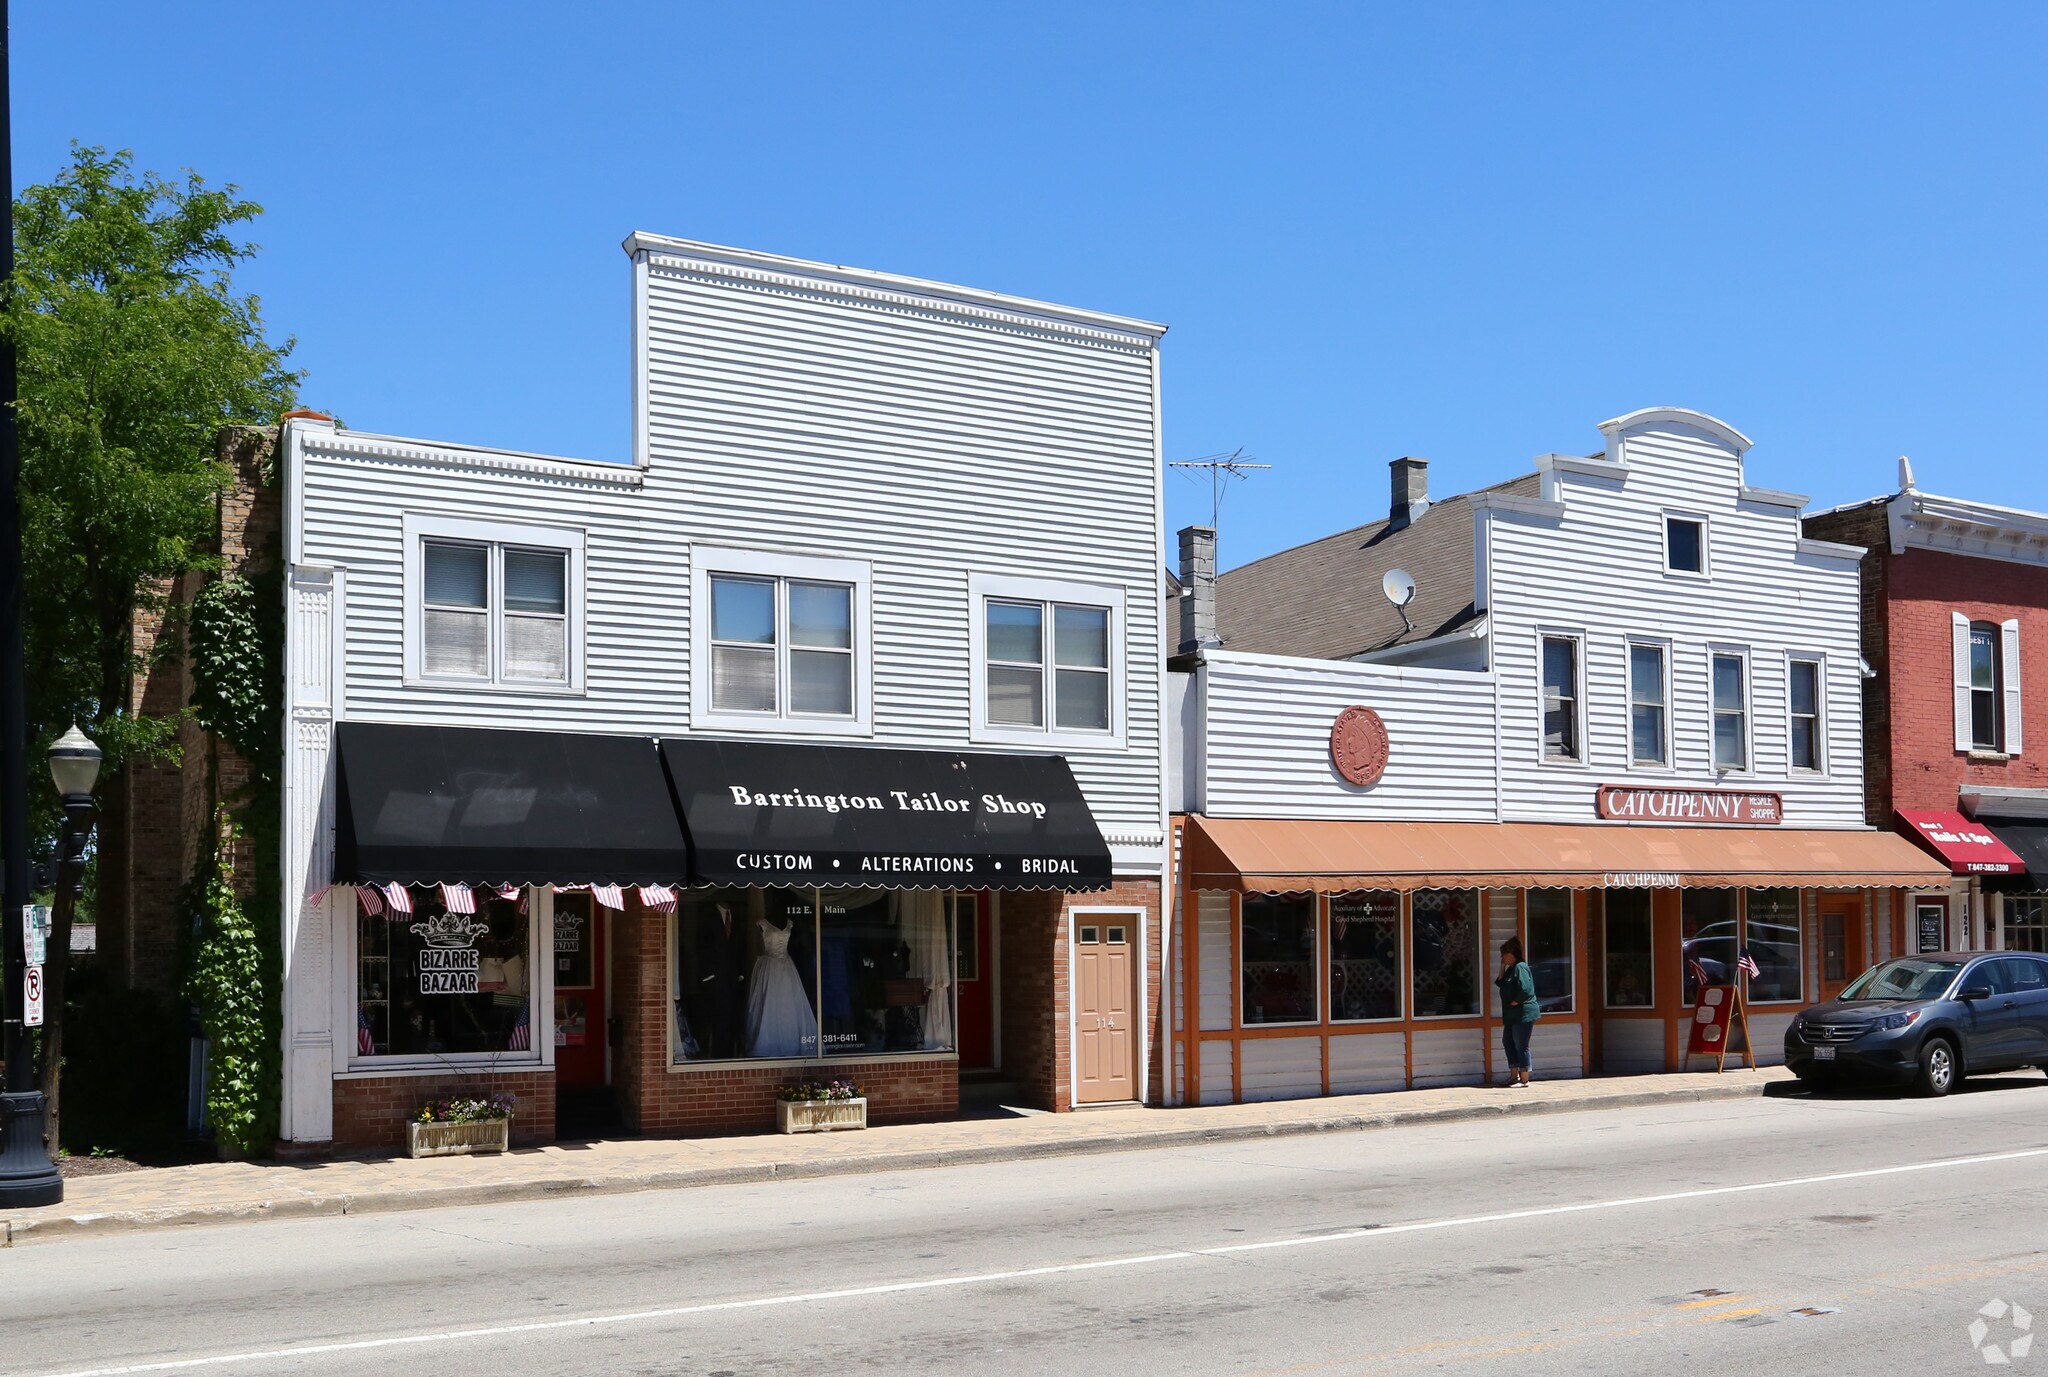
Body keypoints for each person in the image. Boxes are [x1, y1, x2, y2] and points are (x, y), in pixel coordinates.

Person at [1495, 937, 1541, 1087]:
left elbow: (1526, 989)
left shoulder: (1520, 967)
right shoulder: (1511, 969)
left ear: (1511, 954)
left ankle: (1525, 1078)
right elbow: (1501, 983)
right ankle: (1513, 1076)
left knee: (1521, 1044)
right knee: (1508, 1041)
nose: (1502, 957)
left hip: (1523, 1013)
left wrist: (1516, 1000)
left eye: (1504, 954)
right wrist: (1502, 966)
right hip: (1511, 1014)